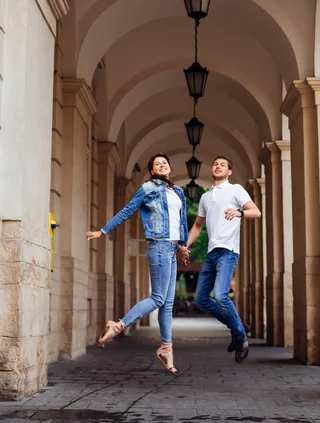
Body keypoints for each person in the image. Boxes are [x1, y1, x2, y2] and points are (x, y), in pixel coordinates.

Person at [86, 153, 187, 375]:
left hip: (171, 249)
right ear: (152, 170)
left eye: (165, 162)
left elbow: (182, 222)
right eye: (157, 163)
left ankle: (166, 348)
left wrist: (183, 246)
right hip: (158, 246)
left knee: (167, 303)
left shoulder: (178, 192)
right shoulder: (148, 188)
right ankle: (119, 325)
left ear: (169, 167)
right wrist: (103, 231)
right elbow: (127, 211)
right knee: (158, 297)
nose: (162, 165)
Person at [177, 156, 261, 364]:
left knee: (221, 295)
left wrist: (240, 212)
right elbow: (197, 227)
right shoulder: (206, 197)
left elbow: (256, 212)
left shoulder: (236, 190)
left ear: (229, 171)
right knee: (201, 299)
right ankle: (238, 326)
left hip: (228, 251)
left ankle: (240, 337)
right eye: (215, 164)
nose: (217, 166)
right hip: (211, 253)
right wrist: (184, 246)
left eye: (222, 164)